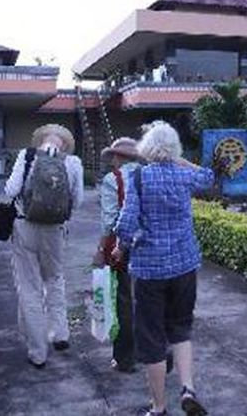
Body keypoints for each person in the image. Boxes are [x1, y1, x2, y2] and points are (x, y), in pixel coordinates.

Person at [116, 121, 213, 416]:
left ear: (146, 147)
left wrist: (121, 245)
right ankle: (188, 389)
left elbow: (127, 223)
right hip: (184, 266)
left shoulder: (139, 178)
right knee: (181, 328)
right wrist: (179, 159)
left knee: (151, 336)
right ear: (173, 148)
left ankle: (158, 407)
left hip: (149, 270)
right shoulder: (184, 176)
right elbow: (208, 177)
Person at [5, 124, 84, 369]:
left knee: (29, 288)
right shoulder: (73, 162)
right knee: (55, 279)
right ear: (64, 143)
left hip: (25, 226)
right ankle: (60, 334)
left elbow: (11, 190)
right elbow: (78, 201)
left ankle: (38, 352)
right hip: (55, 231)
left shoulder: (27, 156)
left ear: (40, 140)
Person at [93, 137, 143, 373]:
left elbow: (110, 220)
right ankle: (154, 352)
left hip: (121, 248)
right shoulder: (149, 174)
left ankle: (125, 358)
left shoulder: (113, 180)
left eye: (113, 156)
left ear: (119, 157)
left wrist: (101, 250)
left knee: (124, 300)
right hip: (151, 248)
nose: (112, 160)